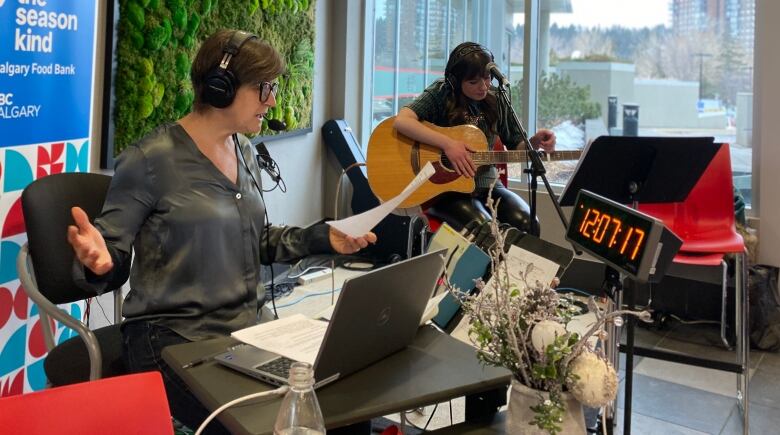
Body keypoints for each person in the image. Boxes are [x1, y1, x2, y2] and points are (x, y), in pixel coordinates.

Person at [67, 29, 376, 434]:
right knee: (262, 423)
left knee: (345, 405)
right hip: (172, 337)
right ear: (221, 86)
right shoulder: (150, 159)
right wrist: (100, 260)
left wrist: (325, 237)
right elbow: (111, 250)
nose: (273, 100)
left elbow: (257, 240)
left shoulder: (244, 151)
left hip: (248, 326)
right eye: (264, 88)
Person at [394, 42, 556, 237]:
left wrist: (534, 142)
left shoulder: (498, 98)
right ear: (455, 81)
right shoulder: (441, 92)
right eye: (473, 82)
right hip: (444, 190)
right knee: (485, 231)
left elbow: (516, 145)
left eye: (487, 79)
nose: (483, 87)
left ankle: (511, 269)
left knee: (528, 224)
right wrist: (448, 144)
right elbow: (402, 121)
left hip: (487, 184)